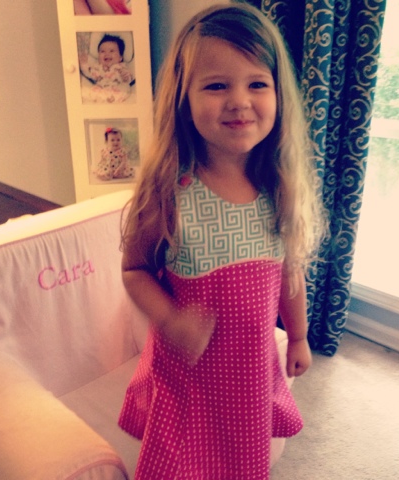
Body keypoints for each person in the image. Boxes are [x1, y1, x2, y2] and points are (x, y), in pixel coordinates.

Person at [118, 3, 325, 479]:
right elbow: (134, 270)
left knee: (238, 459)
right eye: (216, 86)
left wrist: (297, 336)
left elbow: (289, 272)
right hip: (187, 376)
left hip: (249, 372)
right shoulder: (169, 192)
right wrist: (170, 318)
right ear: (183, 99)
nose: (239, 101)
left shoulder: (279, 189)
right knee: (178, 464)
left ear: (279, 94)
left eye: (257, 84)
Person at [79, 34, 133, 103]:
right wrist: (83, 64)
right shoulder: (98, 68)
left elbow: (128, 77)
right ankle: (102, 99)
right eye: (102, 51)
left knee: (125, 87)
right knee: (91, 89)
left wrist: (126, 77)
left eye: (111, 51)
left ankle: (111, 99)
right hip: (102, 88)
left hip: (116, 88)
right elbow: (90, 73)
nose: (107, 54)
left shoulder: (120, 67)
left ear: (120, 57)